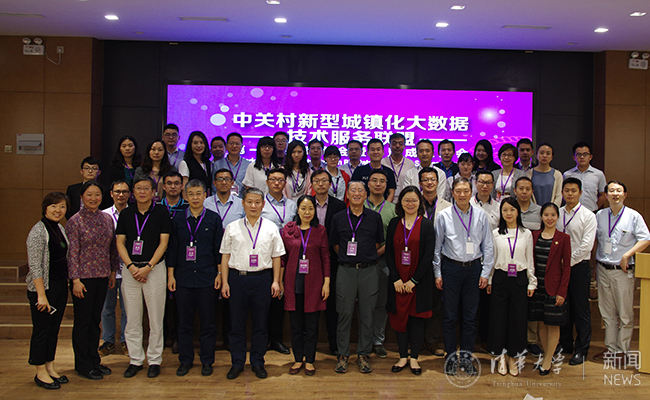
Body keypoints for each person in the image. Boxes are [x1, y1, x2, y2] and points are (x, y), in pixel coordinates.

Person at [219, 187, 284, 380]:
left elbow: (277, 257)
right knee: (236, 325)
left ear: (263, 205)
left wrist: (276, 281)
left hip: (262, 279)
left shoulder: (271, 227)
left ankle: (257, 362)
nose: (253, 206)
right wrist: (224, 282)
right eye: (249, 202)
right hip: (237, 279)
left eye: (257, 202)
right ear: (243, 203)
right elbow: (225, 256)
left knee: (260, 324)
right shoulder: (232, 227)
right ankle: (237, 363)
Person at [434, 177, 494, 375]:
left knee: (470, 317)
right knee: (449, 316)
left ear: (471, 192)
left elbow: (488, 246)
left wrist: (485, 273)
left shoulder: (481, 215)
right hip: (451, 268)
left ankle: (467, 359)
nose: (462, 195)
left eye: (465, 191)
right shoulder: (443, 216)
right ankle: (451, 358)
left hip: (473, 269)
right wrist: (438, 273)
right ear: (452, 193)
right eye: (458, 191)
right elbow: (437, 247)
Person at [116, 176, 172, 378]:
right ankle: (135, 360)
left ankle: (155, 360)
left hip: (154, 269)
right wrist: (131, 267)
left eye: (146, 188)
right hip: (131, 270)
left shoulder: (161, 212)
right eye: (138, 188)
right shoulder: (126, 213)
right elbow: (120, 243)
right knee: (132, 318)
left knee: (156, 318)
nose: (142, 192)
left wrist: (149, 267)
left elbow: (164, 243)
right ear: (133, 192)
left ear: (153, 192)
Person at [167, 179, 223, 377]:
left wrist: (219, 274)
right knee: (184, 323)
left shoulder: (213, 219)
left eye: (199, 194)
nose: (195, 198)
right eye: (191, 194)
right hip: (183, 278)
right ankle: (185, 360)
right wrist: (171, 275)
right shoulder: (177, 219)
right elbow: (172, 249)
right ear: (185, 196)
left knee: (208, 323)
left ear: (205, 195)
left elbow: (218, 249)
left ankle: (207, 360)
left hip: (207, 278)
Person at [66, 181, 120, 380]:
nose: (93, 198)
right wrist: (75, 279)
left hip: (102, 275)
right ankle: (83, 364)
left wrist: (113, 271)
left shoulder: (106, 218)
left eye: (97, 194)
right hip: (83, 279)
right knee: (83, 322)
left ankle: (94, 360)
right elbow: (72, 253)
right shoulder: (75, 221)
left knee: (95, 321)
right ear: (81, 196)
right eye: (89, 194)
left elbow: (112, 247)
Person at [329, 181, 384, 374]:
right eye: (353, 190)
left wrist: (365, 257)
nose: (357, 193)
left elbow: (378, 243)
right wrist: (349, 258)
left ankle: (363, 354)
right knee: (344, 313)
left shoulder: (374, 217)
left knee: (367, 314)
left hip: (369, 270)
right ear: (347, 194)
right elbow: (335, 245)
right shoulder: (338, 218)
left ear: (366, 194)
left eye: (361, 190)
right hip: (346, 271)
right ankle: (343, 355)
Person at [593, 181, 650, 360]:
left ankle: (623, 351)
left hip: (623, 271)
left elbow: (645, 239)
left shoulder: (633, 216)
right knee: (607, 312)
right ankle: (611, 349)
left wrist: (627, 255)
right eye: (611, 191)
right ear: (606, 195)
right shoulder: (600, 215)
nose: (615, 194)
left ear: (625, 194)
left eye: (619, 191)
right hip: (603, 269)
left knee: (625, 313)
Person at [385, 187, 435, 375]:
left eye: (414, 200)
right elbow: (389, 253)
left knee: (417, 319)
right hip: (398, 282)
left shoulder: (427, 225)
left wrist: (414, 280)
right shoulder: (394, 223)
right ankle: (402, 356)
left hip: (418, 282)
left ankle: (414, 357)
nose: (410, 204)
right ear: (401, 202)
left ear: (419, 202)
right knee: (400, 318)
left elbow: (428, 255)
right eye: (406, 200)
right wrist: (396, 279)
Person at [281, 195, 330, 376]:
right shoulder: (288, 230)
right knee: (295, 326)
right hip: (293, 285)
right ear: (297, 210)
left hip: (314, 285)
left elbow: (325, 258)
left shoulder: (320, 230)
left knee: (311, 326)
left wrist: (326, 283)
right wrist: (280, 281)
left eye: (310, 208)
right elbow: (283, 258)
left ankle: (309, 360)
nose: (307, 212)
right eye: (303, 208)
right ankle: (297, 359)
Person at [486, 198, 536, 377]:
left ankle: (513, 358)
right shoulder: (495, 233)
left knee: (518, 320)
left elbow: (529, 259)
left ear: (518, 212)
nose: (508, 213)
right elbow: (491, 258)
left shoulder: (526, 234)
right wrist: (489, 279)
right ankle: (500, 356)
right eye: (505, 210)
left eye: (512, 210)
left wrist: (532, 281)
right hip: (500, 278)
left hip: (520, 280)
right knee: (498, 319)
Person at [26, 192, 70, 390]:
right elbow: (35, 266)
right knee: (42, 330)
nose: (58, 210)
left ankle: (50, 367)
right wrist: (41, 295)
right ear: (45, 208)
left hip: (59, 286)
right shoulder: (38, 231)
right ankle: (40, 371)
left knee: (53, 330)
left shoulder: (59, 228)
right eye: (53, 206)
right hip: (43, 289)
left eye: (62, 206)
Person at [556, 177, 597, 365]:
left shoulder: (588, 216)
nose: (570, 194)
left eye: (574, 191)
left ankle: (582, 349)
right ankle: (565, 343)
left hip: (578, 266)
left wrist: (568, 262)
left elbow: (587, 246)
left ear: (580, 193)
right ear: (562, 193)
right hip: (559, 267)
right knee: (563, 307)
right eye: (567, 190)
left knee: (580, 308)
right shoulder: (557, 213)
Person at [529, 202, 571, 375]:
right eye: (546, 215)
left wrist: (562, 291)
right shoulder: (534, 236)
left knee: (553, 324)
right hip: (537, 285)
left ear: (558, 217)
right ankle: (547, 355)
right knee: (540, 323)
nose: (549, 218)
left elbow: (566, 267)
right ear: (541, 217)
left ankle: (547, 360)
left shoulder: (563, 238)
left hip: (554, 287)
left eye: (553, 215)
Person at [310, 170, 347, 356]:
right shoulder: (306, 203)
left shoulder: (339, 206)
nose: (321, 184)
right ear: (312, 185)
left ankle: (334, 344)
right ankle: (310, 344)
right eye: (317, 181)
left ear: (330, 184)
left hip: (333, 258)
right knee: (311, 302)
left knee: (332, 304)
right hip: (310, 259)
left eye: (324, 180)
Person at [262, 168, 296, 354]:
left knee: (279, 298)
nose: (277, 183)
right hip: (264, 255)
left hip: (287, 255)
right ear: (267, 182)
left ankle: (276, 339)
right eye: (273, 179)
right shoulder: (259, 203)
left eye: (280, 180)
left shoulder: (292, 205)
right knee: (263, 298)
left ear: (285, 183)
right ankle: (262, 339)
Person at [364, 169, 397, 359]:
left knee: (381, 303)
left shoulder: (392, 209)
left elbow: (393, 238)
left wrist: (378, 252)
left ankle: (378, 340)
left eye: (382, 181)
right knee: (364, 303)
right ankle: (365, 340)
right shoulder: (359, 205)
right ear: (368, 184)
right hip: (361, 262)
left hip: (383, 262)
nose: (378, 184)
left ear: (386, 185)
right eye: (374, 180)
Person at [418, 166, 451, 357]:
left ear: (438, 183)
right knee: (417, 301)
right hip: (417, 260)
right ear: (420, 183)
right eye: (425, 180)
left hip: (441, 260)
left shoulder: (447, 206)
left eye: (432, 179)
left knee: (436, 303)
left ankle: (431, 340)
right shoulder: (413, 203)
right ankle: (416, 340)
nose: (429, 183)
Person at [98, 181, 131, 358]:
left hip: (128, 268)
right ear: (111, 193)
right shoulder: (104, 215)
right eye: (117, 191)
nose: (121, 195)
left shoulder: (134, 214)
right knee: (107, 308)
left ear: (129, 194)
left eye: (124, 191)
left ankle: (126, 341)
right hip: (108, 269)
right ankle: (108, 341)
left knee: (128, 309)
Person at [158, 171, 188, 355]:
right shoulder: (156, 207)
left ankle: (177, 337)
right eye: (169, 183)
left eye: (176, 183)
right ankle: (161, 336)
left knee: (179, 302)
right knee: (159, 301)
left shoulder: (187, 207)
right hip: (158, 259)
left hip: (181, 259)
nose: (173, 186)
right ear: (163, 186)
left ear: (181, 186)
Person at [513, 176, 542, 356]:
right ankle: (515, 339)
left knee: (532, 303)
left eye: (527, 189)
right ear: (514, 191)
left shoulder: (539, 211)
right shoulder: (509, 208)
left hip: (534, 260)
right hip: (513, 261)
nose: (524, 192)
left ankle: (531, 340)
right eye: (521, 188)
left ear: (532, 191)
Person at [563, 142, 607, 212]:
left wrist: (596, 207)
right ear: (574, 157)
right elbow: (563, 194)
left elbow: (604, 195)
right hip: (572, 212)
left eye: (585, 154)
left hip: (592, 212)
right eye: (579, 154)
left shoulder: (598, 174)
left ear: (590, 157)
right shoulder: (567, 175)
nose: (582, 157)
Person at [381, 133, 415, 204]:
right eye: (394, 143)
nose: (397, 146)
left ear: (404, 146)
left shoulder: (410, 164)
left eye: (400, 143)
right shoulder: (382, 162)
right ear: (389, 145)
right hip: (385, 201)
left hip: (405, 202)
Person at [213, 132, 251, 196]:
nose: (234, 146)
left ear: (242, 146)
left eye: (237, 144)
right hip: (222, 200)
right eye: (231, 143)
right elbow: (214, 187)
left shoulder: (248, 165)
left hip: (242, 200)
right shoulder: (217, 165)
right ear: (226, 146)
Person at [528, 142, 563, 207]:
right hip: (533, 210)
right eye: (541, 153)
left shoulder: (557, 174)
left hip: (552, 211)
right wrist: (535, 209)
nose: (544, 156)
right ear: (536, 155)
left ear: (552, 157)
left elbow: (558, 196)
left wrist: (551, 210)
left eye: (548, 153)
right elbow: (528, 196)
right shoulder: (529, 174)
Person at [179, 131, 212, 198]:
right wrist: (186, 202)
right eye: (195, 143)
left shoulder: (208, 163)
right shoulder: (185, 163)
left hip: (207, 200)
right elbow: (184, 187)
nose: (199, 145)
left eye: (201, 142)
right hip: (193, 199)